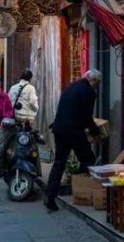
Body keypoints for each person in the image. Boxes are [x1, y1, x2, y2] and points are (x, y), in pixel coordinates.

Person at [42, 69, 103, 212]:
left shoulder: (72, 87)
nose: (98, 86)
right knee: (88, 160)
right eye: (98, 83)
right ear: (93, 80)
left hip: (59, 129)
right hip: (74, 131)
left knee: (59, 163)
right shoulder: (88, 92)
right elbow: (87, 117)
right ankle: (89, 193)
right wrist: (96, 133)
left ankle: (49, 197)